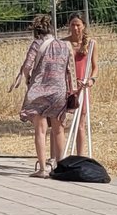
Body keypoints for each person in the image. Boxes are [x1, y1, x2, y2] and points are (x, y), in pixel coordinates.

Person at [11, 12, 72, 176]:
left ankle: (43, 169)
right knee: (59, 130)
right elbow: (68, 69)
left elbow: (27, 66)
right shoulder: (64, 45)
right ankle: (61, 166)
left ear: (37, 31)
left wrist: (28, 78)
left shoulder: (37, 44)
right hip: (59, 90)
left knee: (40, 130)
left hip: (39, 90)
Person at [62, 14, 96, 157]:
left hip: (82, 88)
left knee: (80, 124)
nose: (75, 28)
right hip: (65, 86)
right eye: (72, 25)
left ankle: (80, 156)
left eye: (78, 25)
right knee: (60, 123)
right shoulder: (63, 43)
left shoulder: (91, 43)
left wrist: (91, 80)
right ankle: (60, 156)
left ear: (83, 26)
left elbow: (95, 67)